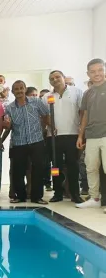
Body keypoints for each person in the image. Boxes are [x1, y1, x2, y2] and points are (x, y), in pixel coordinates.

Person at [4, 80, 49, 204]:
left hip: (37, 141)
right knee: (18, 171)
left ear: (25, 89)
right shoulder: (9, 108)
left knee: (38, 170)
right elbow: (7, 125)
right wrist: (6, 124)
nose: (19, 91)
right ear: (12, 92)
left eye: (21, 88)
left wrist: (44, 129)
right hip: (19, 143)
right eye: (16, 89)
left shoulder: (36, 102)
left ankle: (37, 197)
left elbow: (46, 115)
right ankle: (20, 196)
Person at [45, 70, 84, 204]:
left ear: (63, 77)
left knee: (73, 165)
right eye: (52, 78)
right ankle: (57, 192)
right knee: (56, 167)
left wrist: (81, 132)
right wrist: (50, 123)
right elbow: (45, 116)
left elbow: (82, 112)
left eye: (57, 77)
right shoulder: (47, 96)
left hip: (72, 135)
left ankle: (75, 193)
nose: (55, 80)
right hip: (54, 138)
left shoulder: (76, 92)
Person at [77, 58, 106, 210]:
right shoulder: (87, 93)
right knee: (91, 167)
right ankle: (95, 198)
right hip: (92, 135)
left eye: (100, 70)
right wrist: (81, 136)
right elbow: (85, 116)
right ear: (88, 74)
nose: (97, 74)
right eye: (93, 71)